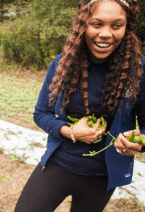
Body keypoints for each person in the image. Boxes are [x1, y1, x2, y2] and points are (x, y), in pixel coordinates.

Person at [14, 0, 145, 211]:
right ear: (83, 24)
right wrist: (71, 131)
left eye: (116, 26)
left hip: (101, 177)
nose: (105, 33)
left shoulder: (139, 70)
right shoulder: (61, 64)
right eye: (97, 24)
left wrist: (139, 142)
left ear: (126, 28)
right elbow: (41, 113)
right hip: (59, 164)